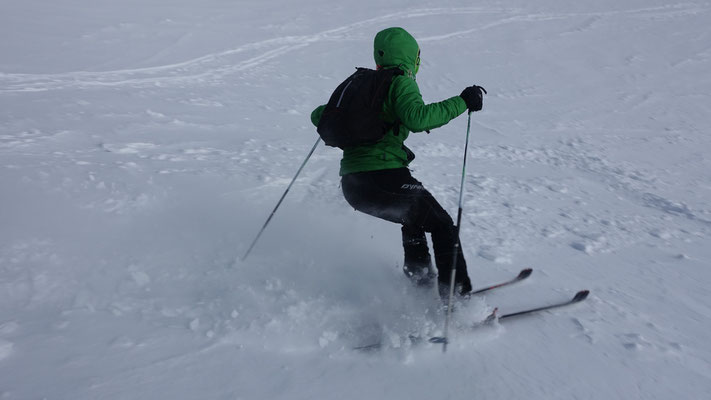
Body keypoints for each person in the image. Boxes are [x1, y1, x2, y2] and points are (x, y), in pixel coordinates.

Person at [310, 27, 486, 299]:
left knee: (413, 219)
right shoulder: (400, 81)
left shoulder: (360, 84)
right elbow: (418, 118)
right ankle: (458, 302)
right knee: (441, 225)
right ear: (412, 57)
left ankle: (421, 285)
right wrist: (463, 101)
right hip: (383, 177)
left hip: (354, 187)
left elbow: (317, 115)